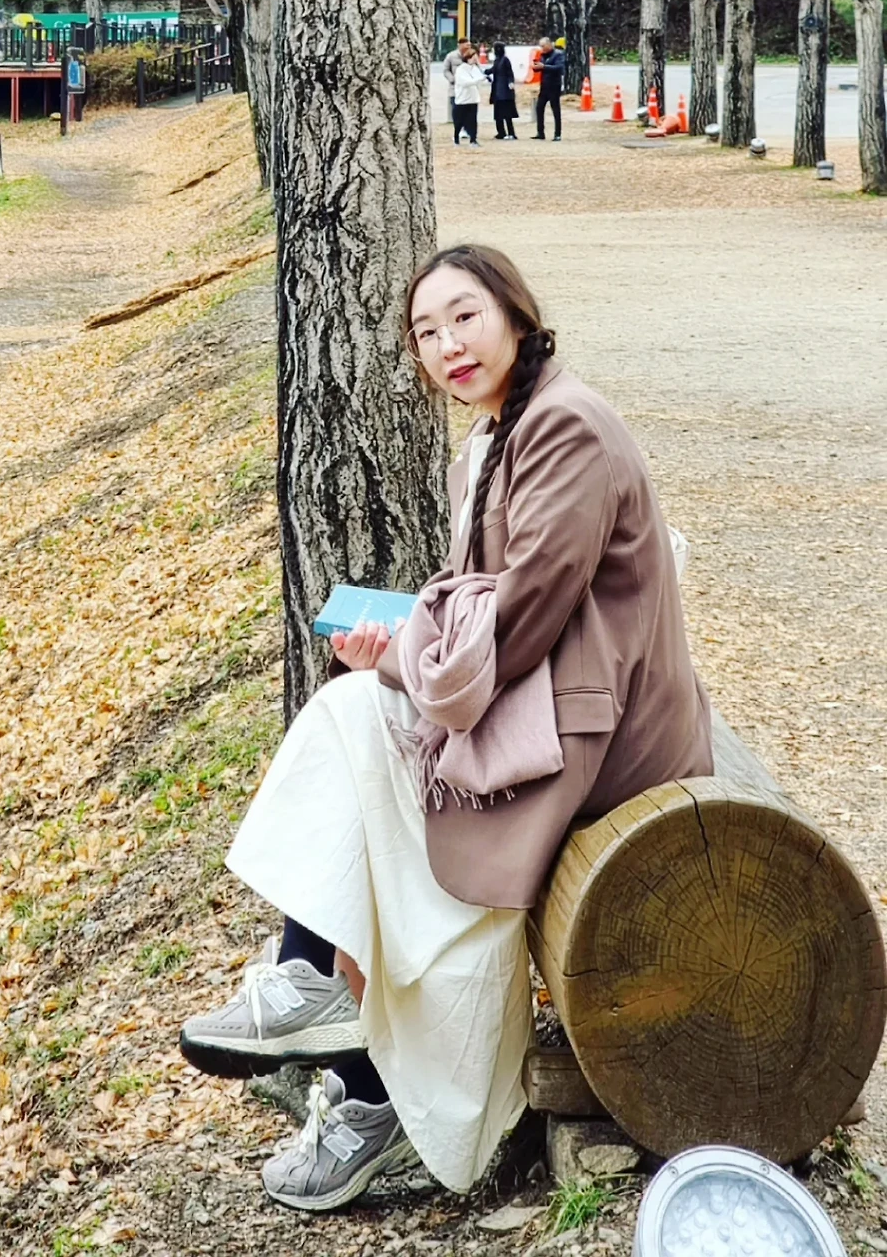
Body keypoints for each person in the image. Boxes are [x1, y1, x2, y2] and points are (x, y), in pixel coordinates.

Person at [179, 245, 713, 1213]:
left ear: (515, 314)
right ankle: (335, 1031)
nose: (447, 345)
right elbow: (476, 609)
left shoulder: (565, 428)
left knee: (374, 765)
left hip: (599, 737)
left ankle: (349, 1053)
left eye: (464, 317)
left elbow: (514, 623)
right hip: (543, 707)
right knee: (361, 750)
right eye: (425, 332)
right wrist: (407, 644)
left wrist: (400, 655)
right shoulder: (495, 437)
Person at [449, 41, 486, 146]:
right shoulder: (461, 70)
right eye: (474, 57)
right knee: (459, 121)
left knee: (473, 120)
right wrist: (478, 80)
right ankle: (456, 138)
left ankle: (473, 140)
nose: (475, 59)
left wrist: (483, 77)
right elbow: (465, 82)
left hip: (473, 99)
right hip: (462, 99)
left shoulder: (475, 68)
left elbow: (480, 77)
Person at [532, 36, 565, 140]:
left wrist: (544, 67)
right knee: (539, 108)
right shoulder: (543, 55)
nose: (542, 48)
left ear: (549, 44)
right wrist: (536, 67)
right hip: (544, 86)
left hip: (554, 85)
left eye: (543, 46)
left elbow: (559, 68)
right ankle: (540, 132)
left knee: (555, 109)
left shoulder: (558, 54)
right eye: (541, 46)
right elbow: (542, 67)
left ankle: (557, 134)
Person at [485, 42, 519, 140]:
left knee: (507, 112)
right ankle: (501, 132)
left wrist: (510, 82)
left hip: (504, 90)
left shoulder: (505, 60)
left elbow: (510, 73)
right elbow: (492, 70)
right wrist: (485, 72)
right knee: (498, 112)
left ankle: (511, 133)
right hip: (497, 89)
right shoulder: (497, 60)